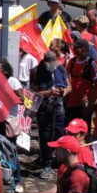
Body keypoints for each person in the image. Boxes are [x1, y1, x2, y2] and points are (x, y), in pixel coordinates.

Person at [19, 136, 91, 193]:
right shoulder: (68, 169)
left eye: (57, 150)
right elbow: (57, 189)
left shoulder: (78, 176)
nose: (54, 153)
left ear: (67, 152)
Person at [30, 51, 68, 179]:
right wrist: (49, 93)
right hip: (44, 109)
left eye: (53, 62)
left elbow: (69, 86)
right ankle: (46, 164)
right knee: (45, 136)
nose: (52, 65)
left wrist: (64, 92)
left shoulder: (61, 69)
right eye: (49, 62)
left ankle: (56, 160)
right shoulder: (36, 71)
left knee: (59, 135)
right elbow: (33, 92)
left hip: (59, 108)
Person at [64, 38, 97, 127]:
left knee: (83, 130)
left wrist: (91, 104)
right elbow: (66, 78)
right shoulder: (72, 61)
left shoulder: (92, 64)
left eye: (76, 47)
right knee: (69, 128)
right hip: (71, 103)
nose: (73, 49)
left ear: (83, 49)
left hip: (84, 105)